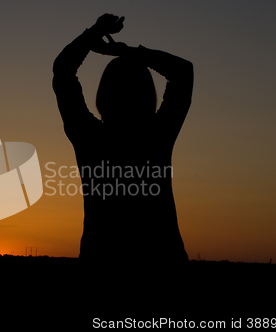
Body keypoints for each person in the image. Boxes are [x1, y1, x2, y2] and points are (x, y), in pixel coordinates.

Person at [52, 14, 194, 299]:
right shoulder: (158, 136)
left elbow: (63, 71)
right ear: (148, 96)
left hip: (102, 272)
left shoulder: (88, 137)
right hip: (163, 272)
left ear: (103, 95)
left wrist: (94, 33)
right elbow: (183, 71)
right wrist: (128, 52)